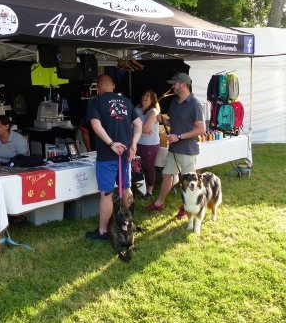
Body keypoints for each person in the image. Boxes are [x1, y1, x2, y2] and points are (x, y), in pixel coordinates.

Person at [85, 74, 142, 240]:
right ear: (113, 86)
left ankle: (103, 231)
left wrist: (111, 144)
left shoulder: (95, 101)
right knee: (126, 188)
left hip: (107, 155)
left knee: (107, 194)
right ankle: (129, 224)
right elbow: (139, 124)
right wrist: (134, 144)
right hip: (125, 153)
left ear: (98, 87)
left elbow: (95, 125)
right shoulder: (125, 101)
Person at [143, 72, 205, 219]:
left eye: (175, 83)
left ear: (183, 84)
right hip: (174, 148)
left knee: (189, 182)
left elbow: (201, 129)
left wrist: (179, 137)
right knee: (166, 175)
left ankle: (187, 207)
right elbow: (174, 122)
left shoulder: (194, 104)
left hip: (188, 149)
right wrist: (162, 120)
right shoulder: (174, 102)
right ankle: (159, 204)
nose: (172, 86)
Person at [136, 90, 161, 201]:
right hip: (137, 143)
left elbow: (146, 129)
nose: (144, 97)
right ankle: (140, 189)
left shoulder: (153, 111)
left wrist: (136, 127)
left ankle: (149, 192)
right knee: (136, 167)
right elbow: (128, 125)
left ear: (152, 100)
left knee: (148, 167)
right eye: (144, 95)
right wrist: (141, 127)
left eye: (148, 96)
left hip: (150, 145)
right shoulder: (136, 109)